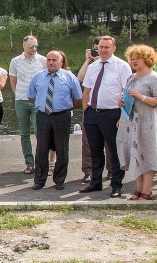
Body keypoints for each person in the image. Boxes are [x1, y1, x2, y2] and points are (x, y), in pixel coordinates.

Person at [81, 35, 129, 197]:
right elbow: (87, 90)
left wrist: (122, 116)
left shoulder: (121, 66)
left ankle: (116, 185)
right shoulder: (93, 66)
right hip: (93, 113)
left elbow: (127, 93)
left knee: (115, 151)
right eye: (101, 47)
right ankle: (96, 183)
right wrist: (86, 111)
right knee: (95, 151)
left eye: (107, 47)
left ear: (114, 48)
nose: (103, 50)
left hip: (113, 114)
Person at [27, 50, 82, 190]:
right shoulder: (38, 77)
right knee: (41, 148)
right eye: (48, 60)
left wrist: (62, 107)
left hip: (61, 116)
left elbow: (77, 99)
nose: (51, 62)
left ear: (61, 62)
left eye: (54, 60)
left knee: (62, 148)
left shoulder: (69, 77)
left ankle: (59, 180)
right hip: (43, 115)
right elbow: (31, 96)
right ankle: (39, 180)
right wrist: (43, 106)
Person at [118, 45, 157, 200]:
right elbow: (128, 98)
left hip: (147, 122)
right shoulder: (131, 77)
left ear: (147, 59)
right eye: (132, 58)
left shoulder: (154, 77)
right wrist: (122, 103)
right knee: (133, 154)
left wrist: (141, 96)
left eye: (137, 58)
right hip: (130, 122)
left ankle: (147, 190)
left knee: (148, 153)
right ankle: (137, 189)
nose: (133, 61)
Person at [8, 36, 46, 175]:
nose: (34, 49)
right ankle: (29, 163)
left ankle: (41, 163)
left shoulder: (42, 60)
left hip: (37, 101)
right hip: (21, 101)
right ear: (24, 46)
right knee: (24, 133)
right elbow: (13, 80)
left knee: (40, 132)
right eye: (31, 46)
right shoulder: (15, 61)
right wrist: (17, 94)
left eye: (36, 46)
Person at [77, 37, 112, 184]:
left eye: (104, 47)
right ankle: (88, 170)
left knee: (110, 143)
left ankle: (111, 170)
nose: (101, 50)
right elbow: (80, 79)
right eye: (98, 47)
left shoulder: (117, 65)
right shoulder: (91, 65)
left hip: (109, 110)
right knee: (88, 143)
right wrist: (88, 60)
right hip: (91, 109)